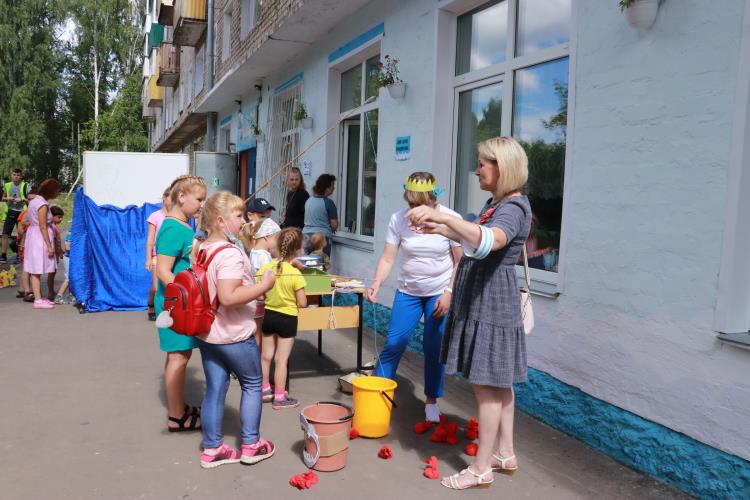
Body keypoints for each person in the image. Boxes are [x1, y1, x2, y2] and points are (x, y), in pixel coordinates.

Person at [406, 137, 532, 490]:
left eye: (482, 164)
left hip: (491, 301)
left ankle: (480, 469)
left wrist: (441, 216)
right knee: (500, 383)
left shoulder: (513, 208)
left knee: (487, 387)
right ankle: (505, 454)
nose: (477, 171)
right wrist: (438, 226)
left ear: (503, 167)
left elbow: (490, 240)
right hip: (488, 297)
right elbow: (472, 238)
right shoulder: (497, 203)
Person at [366, 172, 463, 423]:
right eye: (410, 203)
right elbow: (388, 257)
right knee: (394, 343)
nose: (414, 210)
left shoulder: (450, 219)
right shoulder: (398, 219)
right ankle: (377, 397)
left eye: (419, 205)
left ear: (432, 200)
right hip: (408, 292)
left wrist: (449, 293)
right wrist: (376, 282)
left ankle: (431, 401)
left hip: (439, 293)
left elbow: (460, 262)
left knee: (433, 347)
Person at [195, 191, 277, 469]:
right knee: (252, 384)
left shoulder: (203, 248)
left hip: (209, 334)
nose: (244, 221)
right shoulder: (229, 254)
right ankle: (251, 445)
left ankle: (212, 448)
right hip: (233, 335)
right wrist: (263, 286)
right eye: (239, 216)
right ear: (220, 221)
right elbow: (229, 296)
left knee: (215, 389)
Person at [155, 175, 207, 432]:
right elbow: (163, 271)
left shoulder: (183, 225)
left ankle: (179, 406)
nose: (202, 204)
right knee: (178, 358)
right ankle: (176, 416)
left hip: (180, 304)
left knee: (179, 356)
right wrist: (188, 295)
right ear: (182, 196)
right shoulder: (172, 228)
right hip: (177, 307)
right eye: (199, 199)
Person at [256, 228, 307, 410]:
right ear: (298, 250)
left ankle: (264, 390)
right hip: (288, 318)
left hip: (269, 316)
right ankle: (279, 397)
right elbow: (302, 303)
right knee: (281, 359)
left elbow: (259, 296)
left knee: (265, 356)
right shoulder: (295, 273)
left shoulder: (265, 269)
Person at [245, 218, 281, 365]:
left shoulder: (254, 251)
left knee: (254, 332)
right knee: (258, 334)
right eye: (276, 239)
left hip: (253, 297)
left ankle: (252, 363)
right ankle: (255, 365)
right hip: (260, 299)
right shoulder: (264, 256)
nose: (277, 243)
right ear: (266, 237)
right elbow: (270, 276)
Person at [23, 179, 60, 309]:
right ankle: (38, 300)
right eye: (57, 191)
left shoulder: (34, 201)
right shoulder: (42, 204)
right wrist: (49, 246)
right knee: (37, 268)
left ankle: (38, 298)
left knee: (36, 267)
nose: (58, 193)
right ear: (51, 191)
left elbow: (28, 220)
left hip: (34, 235)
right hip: (40, 238)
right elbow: (43, 226)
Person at [146, 187, 172, 321]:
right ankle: (151, 304)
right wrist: (148, 258)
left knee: (169, 285)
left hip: (171, 256)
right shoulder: (155, 216)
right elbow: (150, 238)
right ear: (164, 198)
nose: (172, 201)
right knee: (156, 288)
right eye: (170, 197)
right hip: (157, 256)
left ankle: (164, 311)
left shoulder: (175, 218)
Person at [303, 174, 337, 256]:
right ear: (327, 187)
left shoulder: (309, 201)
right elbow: (334, 225)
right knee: (321, 262)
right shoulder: (329, 203)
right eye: (332, 185)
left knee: (306, 262)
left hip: (306, 237)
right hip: (322, 238)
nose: (334, 188)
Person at [1, 169, 29, 262]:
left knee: (21, 233)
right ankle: (3, 255)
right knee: (5, 234)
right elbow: (3, 198)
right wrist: (8, 198)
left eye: (18, 175)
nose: (16, 176)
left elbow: (31, 199)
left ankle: (19, 254)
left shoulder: (25, 186)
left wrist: (22, 199)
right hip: (10, 212)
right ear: (11, 175)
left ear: (21, 176)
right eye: (14, 174)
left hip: (22, 213)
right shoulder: (7, 185)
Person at [15, 190, 36, 301]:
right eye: (29, 199)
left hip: (33, 244)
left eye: (33, 199)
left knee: (28, 267)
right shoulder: (25, 212)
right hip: (25, 244)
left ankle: (22, 288)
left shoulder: (38, 211)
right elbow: (19, 229)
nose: (31, 201)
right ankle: (28, 290)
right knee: (27, 267)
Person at [46, 205, 65, 301]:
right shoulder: (53, 227)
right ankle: (50, 292)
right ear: (52, 216)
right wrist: (60, 252)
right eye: (59, 217)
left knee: (51, 272)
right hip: (53, 252)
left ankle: (51, 291)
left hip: (52, 252)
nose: (61, 219)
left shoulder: (50, 226)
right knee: (52, 272)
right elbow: (57, 241)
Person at [54, 227, 73, 304]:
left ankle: (71, 295)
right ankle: (59, 296)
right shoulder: (71, 233)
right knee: (68, 278)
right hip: (68, 258)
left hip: (71, 258)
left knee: (72, 277)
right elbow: (67, 247)